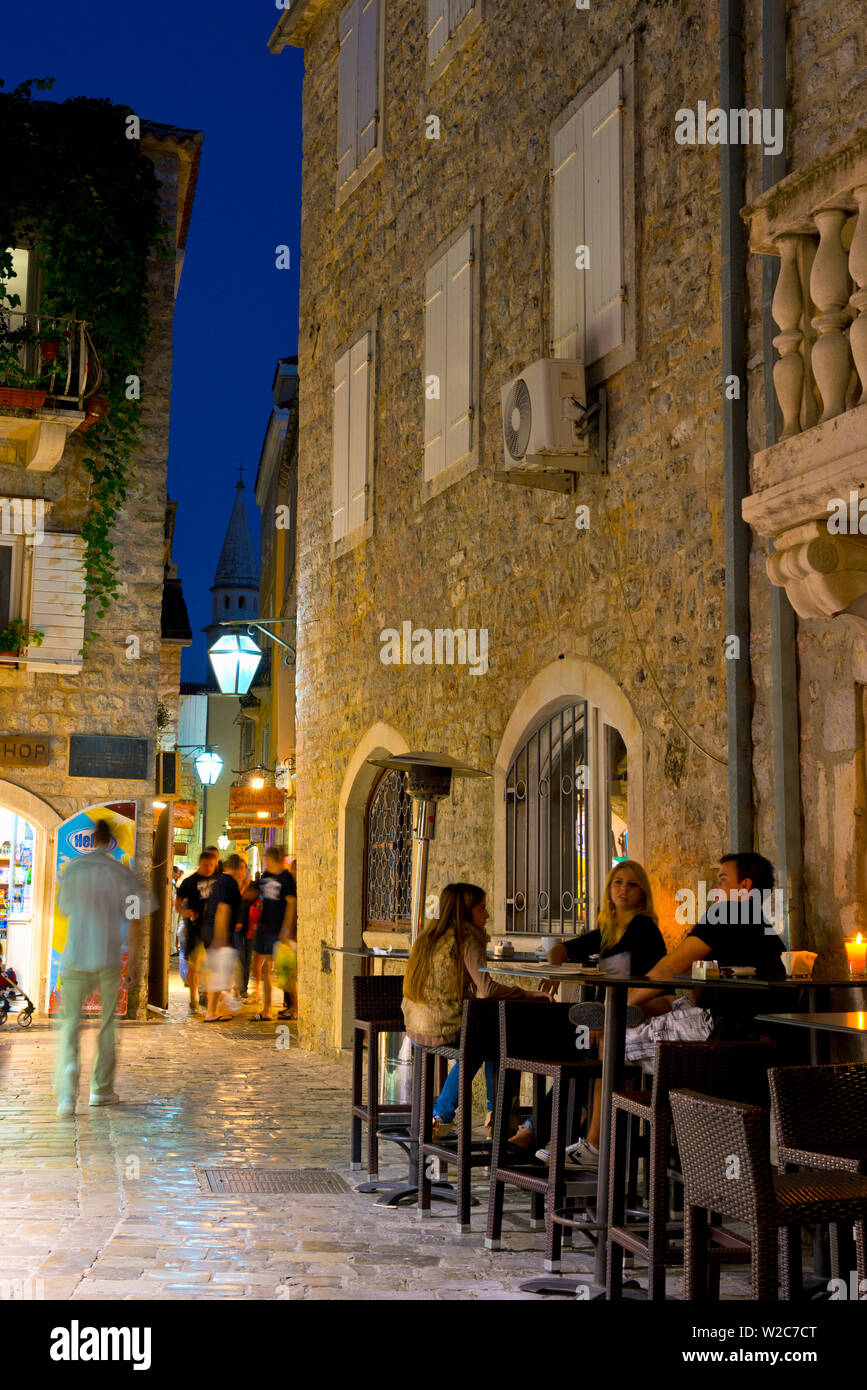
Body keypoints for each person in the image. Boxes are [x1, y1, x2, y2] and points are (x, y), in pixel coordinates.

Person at [535, 860, 667, 1167]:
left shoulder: (641, 927)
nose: (623, 889)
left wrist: (603, 1020)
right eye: (617, 882)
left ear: (642, 894)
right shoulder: (608, 931)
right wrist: (557, 965)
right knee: (578, 1053)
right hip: (619, 1013)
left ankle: (585, 1143)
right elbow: (564, 948)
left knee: (590, 1054)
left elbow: (620, 980)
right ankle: (558, 1133)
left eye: (632, 884)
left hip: (646, 1011)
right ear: (609, 890)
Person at [402, 882, 549, 1141]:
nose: (487, 915)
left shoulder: (429, 937)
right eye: (481, 909)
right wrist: (525, 993)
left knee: (489, 1041)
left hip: (417, 1026)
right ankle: (495, 1119)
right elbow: (488, 988)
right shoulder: (467, 938)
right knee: (494, 1045)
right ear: (464, 911)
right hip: (444, 1025)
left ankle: (460, 1117)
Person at [620, 851, 786, 1068]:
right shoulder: (764, 929)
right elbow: (698, 993)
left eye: (722, 880)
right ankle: (639, 1013)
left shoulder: (726, 912)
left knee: (611, 1041)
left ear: (745, 886)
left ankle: (621, 1014)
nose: (713, 888)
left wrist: (620, 1004)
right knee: (671, 1005)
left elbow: (668, 970)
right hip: (754, 1037)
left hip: (719, 1031)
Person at [54, 819, 141, 1116]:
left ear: (93, 839)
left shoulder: (74, 869)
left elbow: (64, 908)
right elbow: (134, 922)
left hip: (76, 954)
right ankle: (100, 1090)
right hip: (108, 956)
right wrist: (135, 965)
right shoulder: (122, 873)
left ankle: (67, 1093)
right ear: (111, 841)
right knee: (106, 1025)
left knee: (70, 1024)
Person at [247, 845, 297, 1022]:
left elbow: (291, 903)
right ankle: (266, 1009)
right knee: (266, 967)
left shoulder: (286, 878)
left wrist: (286, 929)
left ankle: (295, 1009)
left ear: (275, 859)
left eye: (267, 859)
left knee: (286, 971)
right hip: (265, 927)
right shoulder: (266, 876)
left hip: (279, 929)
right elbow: (255, 893)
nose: (265, 862)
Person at [200, 853, 247, 1022]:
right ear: (239, 868)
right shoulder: (229, 883)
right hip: (218, 931)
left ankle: (216, 1009)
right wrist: (221, 937)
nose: (244, 872)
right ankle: (211, 1011)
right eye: (243, 868)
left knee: (219, 972)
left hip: (210, 928)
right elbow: (223, 908)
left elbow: (210, 906)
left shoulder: (221, 881)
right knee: (220, 972)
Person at [175, 849, 219, 1015]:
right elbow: (178, 902)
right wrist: (185, 912)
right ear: (200, 863)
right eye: (206, 865)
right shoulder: (189, 882)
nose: (209, 868)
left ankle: (206, 993)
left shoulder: (218, 881)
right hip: (195, 926)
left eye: (212, 865)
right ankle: (193, 996)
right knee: (195, 963)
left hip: (213, 927)